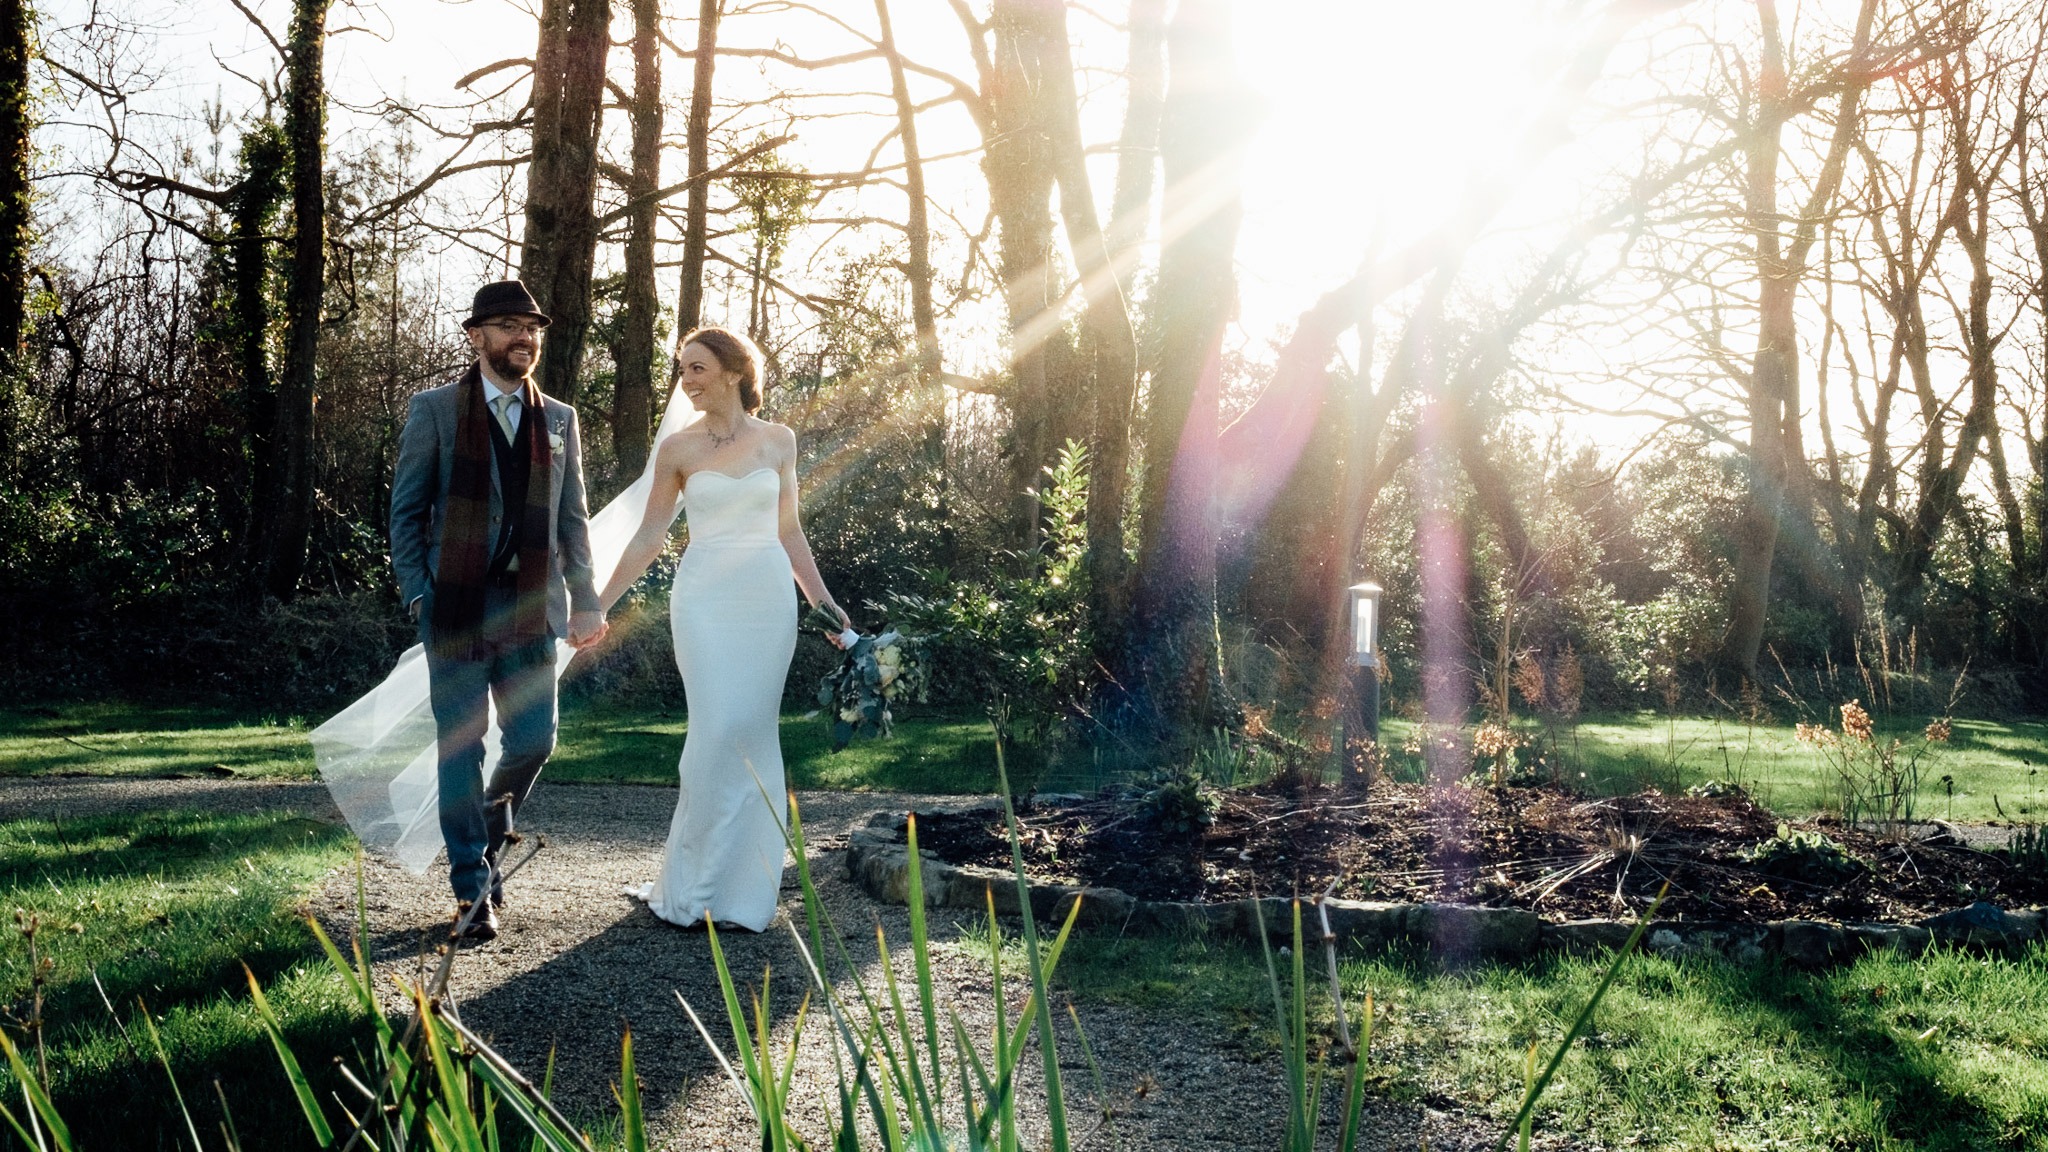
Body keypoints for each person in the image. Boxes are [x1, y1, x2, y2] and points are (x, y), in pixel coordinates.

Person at [597, 326, 850, 931]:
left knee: (754, 732)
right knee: (716, 730)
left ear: (735, 372)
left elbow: (790, 533)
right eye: (682, 370)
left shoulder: (778, 441)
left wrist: (824, 604)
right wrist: (599, 604)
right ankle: (691, 886)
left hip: (766, 599)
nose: (686, 380)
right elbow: (651, 536)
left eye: (697, 367)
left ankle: (742, 895)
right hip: (705, 597)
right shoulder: (678, 450)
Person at [388, 279, 609, 941]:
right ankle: (470, 888)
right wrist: (418, 590)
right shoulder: (433, 410)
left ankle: (481, 846)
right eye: (509, 325)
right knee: (460, 749)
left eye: (532, 327)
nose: (524, 338)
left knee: (535, 740)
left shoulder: (561, 420)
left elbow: (574, 523)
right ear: (476, 336)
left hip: (533, 608)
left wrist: (588, 599)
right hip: (454, 608)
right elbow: (405, 511)